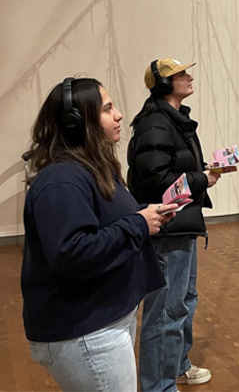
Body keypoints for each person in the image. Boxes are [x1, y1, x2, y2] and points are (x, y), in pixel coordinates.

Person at [22, 78, 177, 391]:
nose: (119, 115)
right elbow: (72, 252)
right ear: (76, 123)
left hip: (102, 323)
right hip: (84, 333)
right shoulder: (61, 180)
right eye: (107, 109)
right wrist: (138, 224)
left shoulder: (89, 168)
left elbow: (105, 220)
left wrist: (147, 213)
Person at [127, 59, 221, 391]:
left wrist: (202, 173)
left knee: (183, 300)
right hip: (166, 230)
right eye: (180, 74)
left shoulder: (173, 121)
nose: (189, 77)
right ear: (164, 84)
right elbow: (156, 183)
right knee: (166, 311)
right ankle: (158, 386)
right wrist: (201, 179)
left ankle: (177, 365)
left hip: (181, 225)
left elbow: (170, 171)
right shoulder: (155, 124)